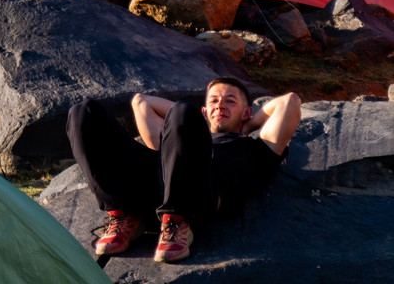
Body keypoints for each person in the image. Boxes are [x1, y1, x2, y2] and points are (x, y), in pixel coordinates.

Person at [66, 77, 302, 263]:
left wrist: (248, 125)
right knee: (83, 112)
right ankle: (123, 215)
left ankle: (177, 223)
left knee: (182, 111)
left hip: (196, 196)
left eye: (230, 101)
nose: (220, 105)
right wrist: (200, 119)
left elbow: (289, 102)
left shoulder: (258, 148)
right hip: (153, 185)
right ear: (205, 111)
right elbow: (141, 102)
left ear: (247, 111)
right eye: (213, 101)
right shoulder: (183, 132)